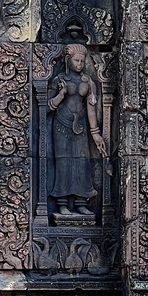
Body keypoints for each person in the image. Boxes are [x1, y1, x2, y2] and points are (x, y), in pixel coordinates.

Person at [48, 43, 105, 217]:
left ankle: (81, 202)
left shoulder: (87, 82)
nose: (80, 64)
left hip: (81, 128)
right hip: (61, 126)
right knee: (64, 163)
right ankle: (62, 202)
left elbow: (91, 109)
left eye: (82, 61)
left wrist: (95, 134)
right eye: (76, 60)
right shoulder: (59, 80)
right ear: (68, 60)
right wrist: (61, 94)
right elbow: (47, 107)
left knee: (82, 163)